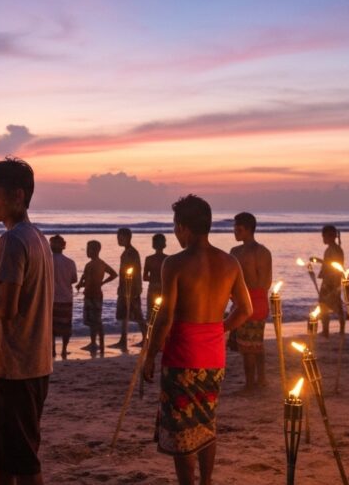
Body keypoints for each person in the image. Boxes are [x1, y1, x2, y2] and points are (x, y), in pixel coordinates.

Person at [143, 195, 252, 485]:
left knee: (181, 429)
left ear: (183, 228)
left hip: (181, 356)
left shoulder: (174, 263)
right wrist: (221, 328)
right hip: (213, 355)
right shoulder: (229, 262)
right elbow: (246, 309)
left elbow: (165, 318)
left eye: (176, 227)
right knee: (205, 422)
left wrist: (150, 354)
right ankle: (205, 481)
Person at [0, 157, 54, 485]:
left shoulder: (13, 240)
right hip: (31, 363)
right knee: (2, 455)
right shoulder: (37, 238)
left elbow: (6, 307)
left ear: (18, 195)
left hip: (17, 367)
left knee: (21, 459)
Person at [230, 212, 272, 392]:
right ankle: (261, 379)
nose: (234, 232)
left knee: (248, 347)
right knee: (257, 343)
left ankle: (250, 384)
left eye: (238, 229)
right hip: (258, 299)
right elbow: (266, 282)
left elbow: (234, 280)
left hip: (249, 300)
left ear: (248, 230)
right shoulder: (263, 252)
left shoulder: (241, 252)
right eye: (234, 228)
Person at [77, 240, 116, 355]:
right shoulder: (97, 264)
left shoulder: (93, 264)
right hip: (91, 294)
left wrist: (102, 283)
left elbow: (113, 274)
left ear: (96, 250)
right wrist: (81, 284)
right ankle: (94, 342)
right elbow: (87, 279)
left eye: (89, 249)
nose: (87, 251)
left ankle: (98, 343)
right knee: (92, 321)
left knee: (96, 321)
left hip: (94, 295)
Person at [112, 227, 146, 349]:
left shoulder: (131, 253)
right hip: (125, 288)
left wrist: (135, 289)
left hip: (131, 288)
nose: (118, 240)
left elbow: (135, 272)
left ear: (127, 238)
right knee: (124, 315)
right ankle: (123, 340)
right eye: (118, 237)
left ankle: (146, 338)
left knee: (137, 315)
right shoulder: (126, 252)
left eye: (120, 237)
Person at [49, 235, 78, 360]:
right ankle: (64, 350)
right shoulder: (70, 262)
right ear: (63, 246)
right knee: (66, 326)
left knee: (51, 327)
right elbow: (74, 279)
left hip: (51, 298)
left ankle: (53, 349)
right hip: (66, 298)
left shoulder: (47, 260)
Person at [318, 225, 345, 338]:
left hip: (331, 281)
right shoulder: (333, 249)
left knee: (324, 304)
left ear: (330, 236)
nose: (323, 238)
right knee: (334, 304)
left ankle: (326, 330)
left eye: (324, 236)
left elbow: (335, 266)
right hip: (330, 280)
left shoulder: (334, 250)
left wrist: (334, 284)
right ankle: (338, 329)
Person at [143, 233, 168, 316]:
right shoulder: (168, 259)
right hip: (164, 288)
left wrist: (154, 278)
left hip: (153, 287)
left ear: (153, 245)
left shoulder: (149, 259)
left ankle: (152, 329)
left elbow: (145, 277)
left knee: (151, 313)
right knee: (163, 313)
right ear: (164, 244)